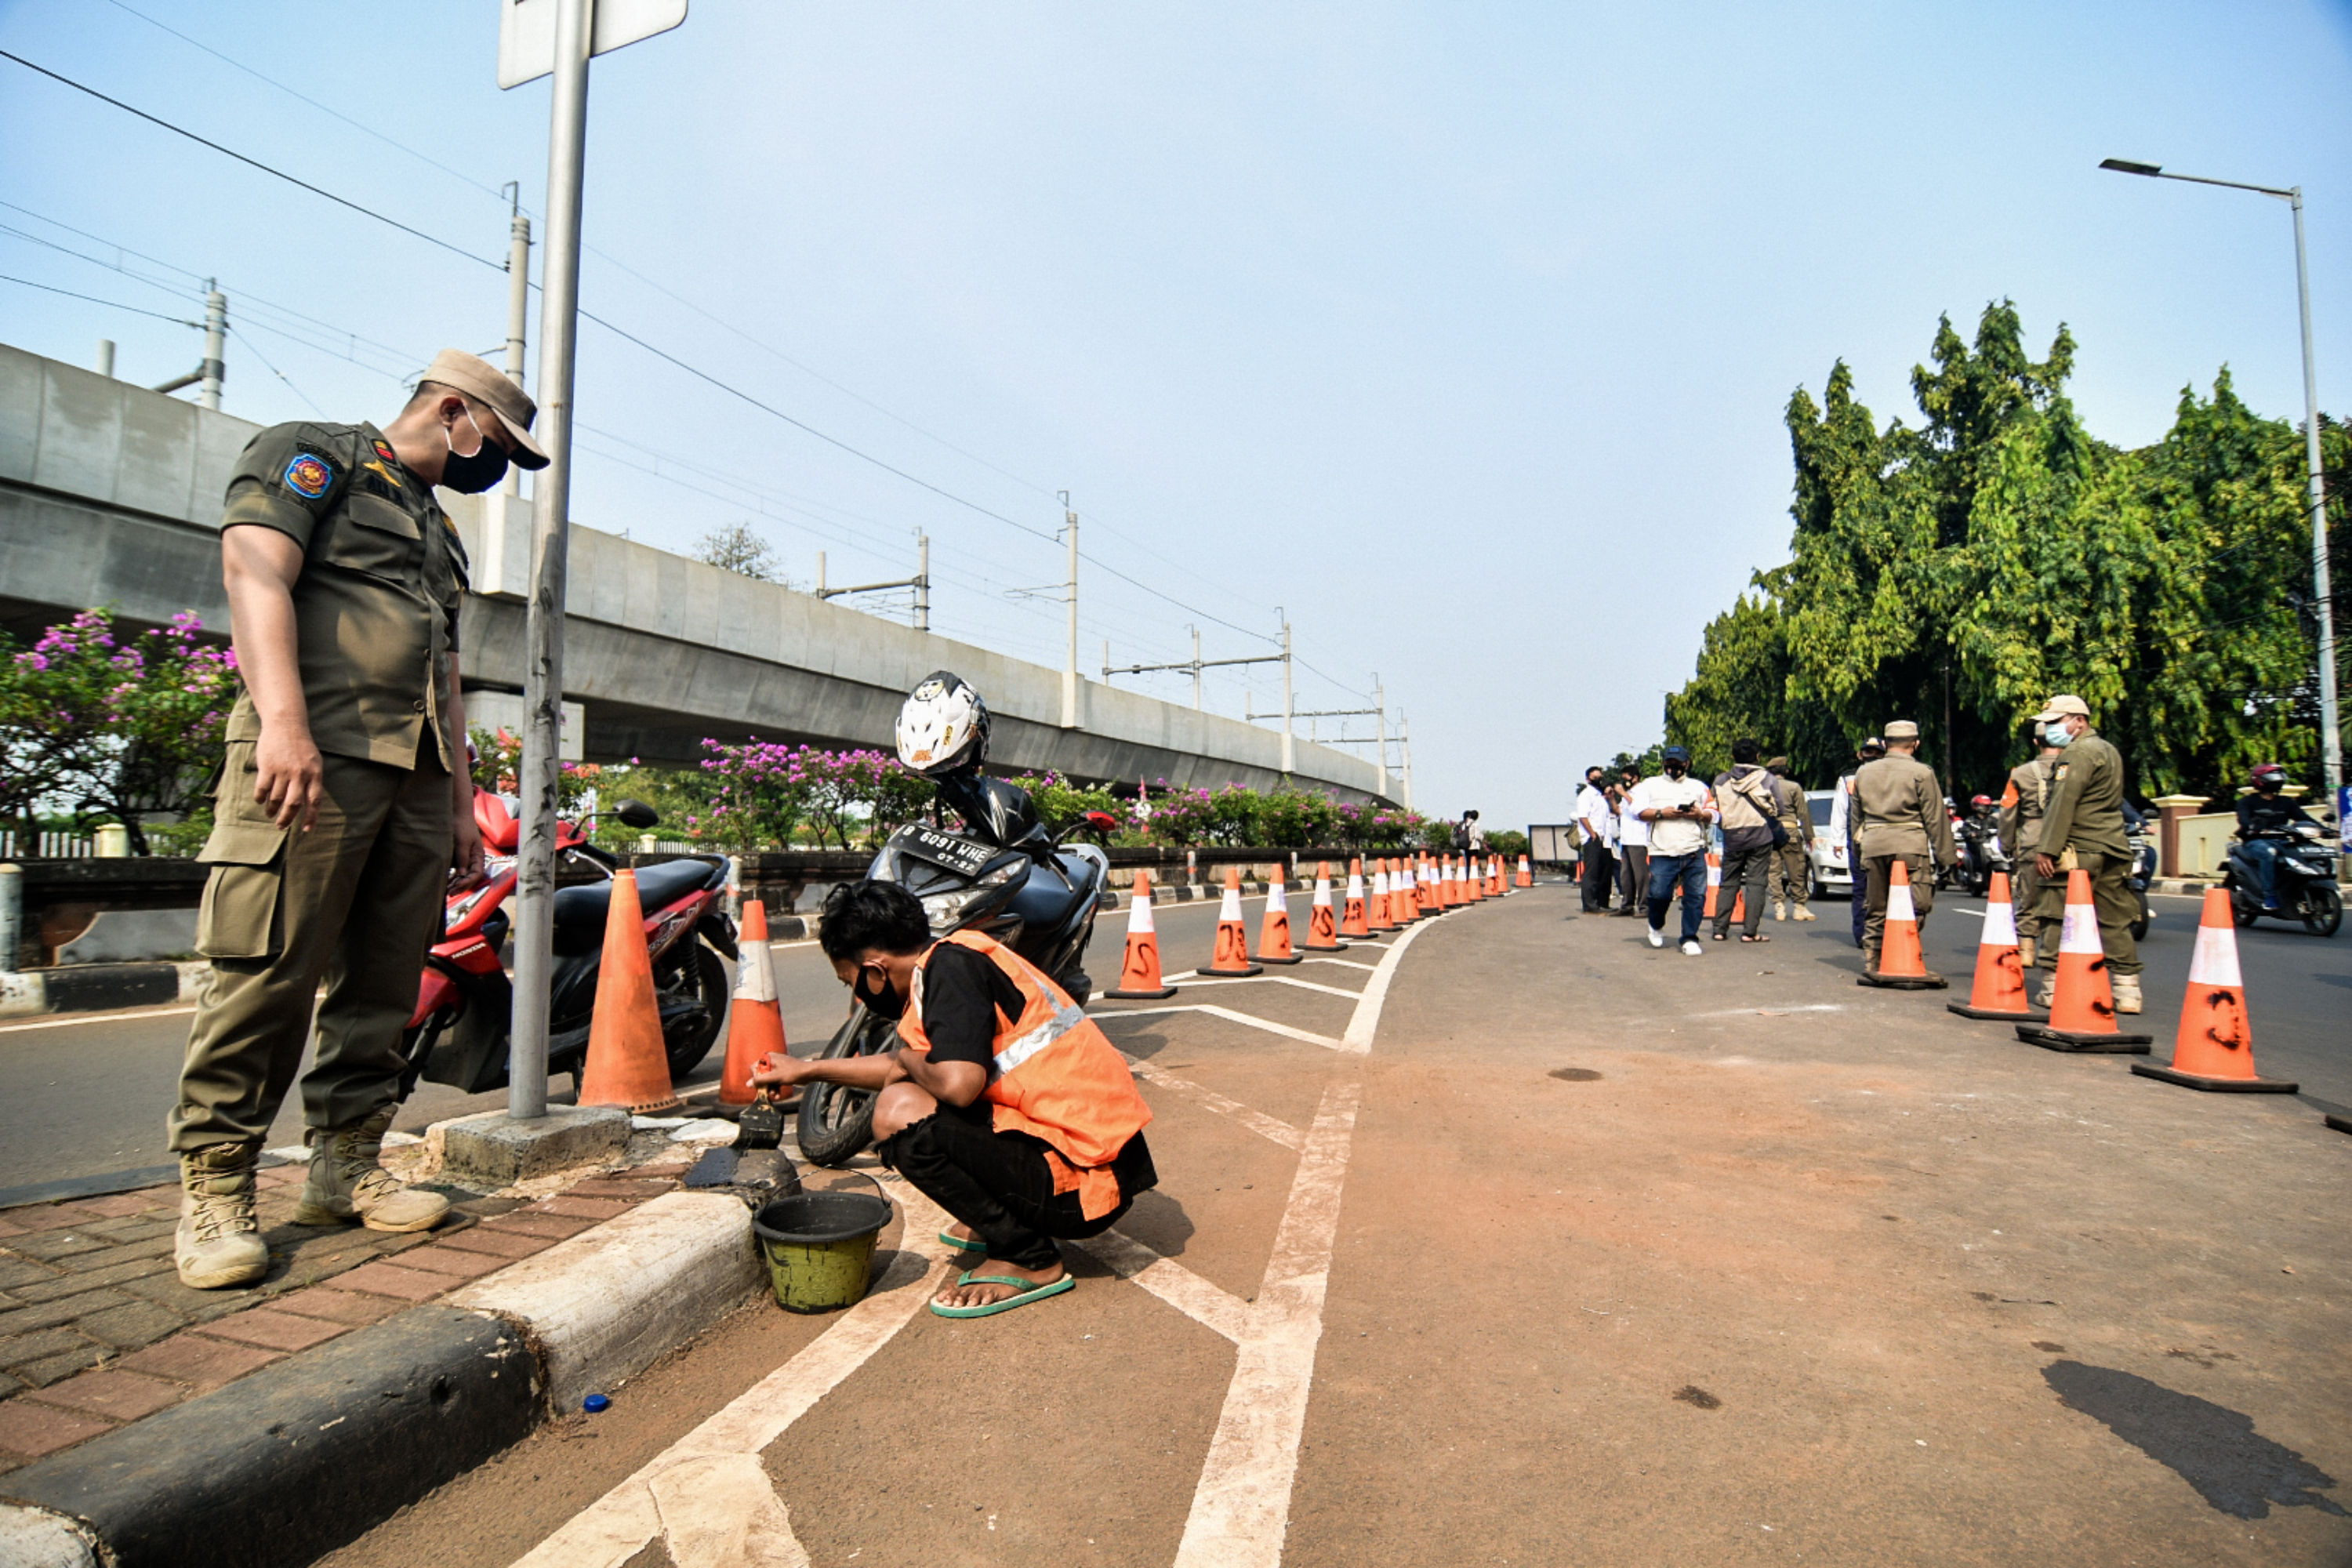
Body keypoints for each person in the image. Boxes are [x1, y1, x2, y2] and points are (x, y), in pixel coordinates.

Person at [167, 350, 548, 1290]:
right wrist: (284, 725)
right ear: (453, 410)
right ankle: (216, 1185)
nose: (493, 466)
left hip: (415, 778)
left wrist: (459, 800)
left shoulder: (439, 528)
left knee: (384, 979)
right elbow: (254, 571)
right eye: (496, 445)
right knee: (268, 971)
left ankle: (345, 1165)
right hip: (314, 757)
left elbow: (446, 671)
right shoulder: (316, 454)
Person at [753, 880, 1156, 1317]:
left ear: (875, 971)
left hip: (1086, 1184)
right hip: (1088, 1157)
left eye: (850, 981)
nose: (857, 993)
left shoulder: (950, 971)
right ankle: (1008, 1215)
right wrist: (804, 1070)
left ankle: (1027, 1255)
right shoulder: (950, 958)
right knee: (910, 1090)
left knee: (896, 1111)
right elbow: (904, 1066)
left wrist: (908, 1061)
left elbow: (957, 1084)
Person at [2027, 695, 2143, 1012]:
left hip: (2080, 849)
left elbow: (2063, 803)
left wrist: (2047, 849)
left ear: (2079, 720)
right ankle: (2127, 991)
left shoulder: (2076, 754)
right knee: (2115, 919)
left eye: (2056, 721)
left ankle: (2052, 989)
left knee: (2056, 913)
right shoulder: (2109, 750)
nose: (2050, 728)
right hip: (2113, 846)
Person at [1852, 720, 1958, 975]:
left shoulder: (1864, 773)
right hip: (1910, 845)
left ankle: (1873, 959)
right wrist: (1947, 857)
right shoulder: (1922, 773)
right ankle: (1905, 953)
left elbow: (1857, 817)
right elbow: (1935, 818)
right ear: (1916, 744)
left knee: (1876, 906)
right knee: (1915, 904)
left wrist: (1859, 852)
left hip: (1874, 844)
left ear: (1886, 744)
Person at [1632, 746, 1716, 955]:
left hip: (1693, 849)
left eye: (1678, 763)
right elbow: (1637, 812)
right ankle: (1656, 924)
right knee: (1659, 895)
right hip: (1662, 850)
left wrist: (1699, 814)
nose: (1674, 767)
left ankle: (1689, 938)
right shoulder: (1649, 785)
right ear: (1663, 763)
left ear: (1687, 764)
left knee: (1696, 897)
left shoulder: (1698, 787)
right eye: (1670, 763)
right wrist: (1662, 813)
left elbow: (1715, 813)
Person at [1998, 736, 2061, 969]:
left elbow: (2008, 812)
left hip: (2032, 841)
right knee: (2065, 898)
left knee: (2029, 899)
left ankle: (2026, 951)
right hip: (2067, 842)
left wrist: (2006, 844)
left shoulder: (2019, 774)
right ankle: (2059, 951)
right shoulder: (2074, 768)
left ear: (2035, 741)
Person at [1711, 739, 1781, 942]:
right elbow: (1780, 807)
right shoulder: (1767, 778)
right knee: (1756, 884)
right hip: (1760, 836)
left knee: (1728, 884)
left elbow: (1714, 808)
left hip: (1732, 837)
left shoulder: (1721, 780)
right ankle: (1750, 932)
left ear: (1733, 756)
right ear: (1757, 756)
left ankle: (1719, 930)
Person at [2234, 764, 2320, 912]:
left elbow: (2304, 818)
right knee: (2269, 853)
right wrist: (2252, 827)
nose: (2278, 780)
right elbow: (2244, 819)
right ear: (2260, 780)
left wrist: (2324, 829)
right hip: (2255, 842)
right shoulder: (2247, 802)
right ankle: (2269, 896)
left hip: (2282, 841)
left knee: (2304, 853)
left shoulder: (2287, 802)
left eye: (2279, 777)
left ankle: (2297, 889)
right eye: (2273, 777)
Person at [1830, 737, 1885, 949]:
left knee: (1878, 889)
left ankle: (1878, 934)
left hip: (1875, 839)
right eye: (1869, 752)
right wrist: (1837, 840)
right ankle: (1867, 934)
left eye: (1876, 752)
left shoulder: (1889, 773)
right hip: (1864, 840)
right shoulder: (1849, 778)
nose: (1872, 756)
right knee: (1866, 888)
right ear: (1860, 755)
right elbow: (1840, 809)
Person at [1765, 757, 1816, 921]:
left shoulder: (1763, 787)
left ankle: (1779, 907)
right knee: (1796, 870)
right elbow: (1803, 813)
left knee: (1774, 871)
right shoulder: (1794, 787)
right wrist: (1809, 836)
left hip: (1770, 832)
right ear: (1785, 771)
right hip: (1790, 831)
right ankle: (1799, 907)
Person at [1575, 765, 1615, 913]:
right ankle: (1590, 904)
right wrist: (1592, 834)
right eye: (1595, 778)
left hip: (1604, 839)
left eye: (1600, 777)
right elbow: (1583, 817)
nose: (1598, 780)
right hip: (1592, 838)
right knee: (1592, 872)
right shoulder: (1586, 795)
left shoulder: (1600, 797)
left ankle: (1603, 902)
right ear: (1588, 779)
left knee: (1605, 871)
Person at [1613, 765, 1650, 916]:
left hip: (1638, 838)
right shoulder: (1627, 795)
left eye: (1626, 778)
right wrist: (1611, 799)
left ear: (1635, 778)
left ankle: (1644, 907)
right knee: (1626, 875)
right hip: (1626, 838)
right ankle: (1627, 905)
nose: (1624, 781)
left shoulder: (1642, 791)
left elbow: (1639, 811)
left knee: (1641, 876)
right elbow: (1619, 811)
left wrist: (1624, 793)